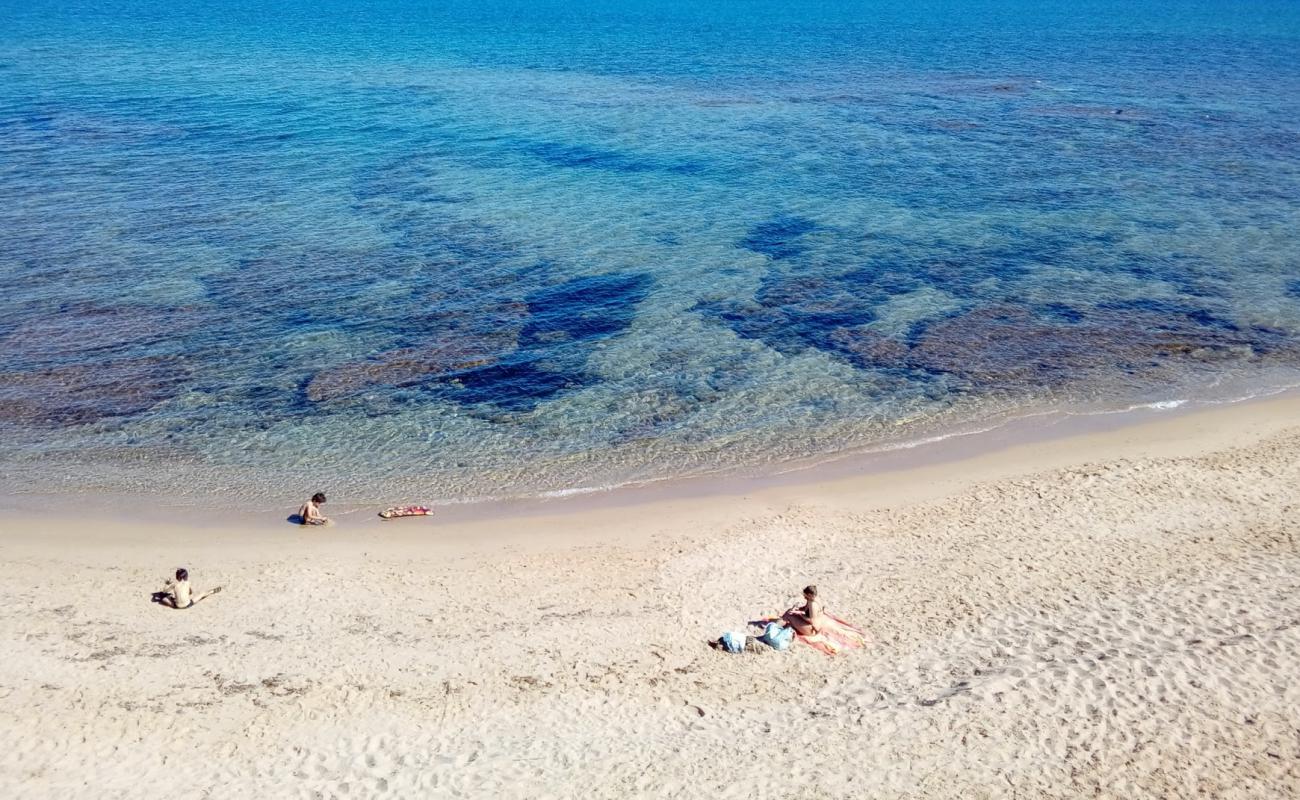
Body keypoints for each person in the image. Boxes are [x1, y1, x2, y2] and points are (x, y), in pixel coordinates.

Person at [156, 568, 221, 609]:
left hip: (177, 606)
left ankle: (172, 603)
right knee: (202, 594)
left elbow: (164, 591)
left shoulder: (174, 584)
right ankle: (212, 591)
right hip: (188, 604)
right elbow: (190, 593)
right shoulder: (187, 583)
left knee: (164, 598)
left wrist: (167, 584)